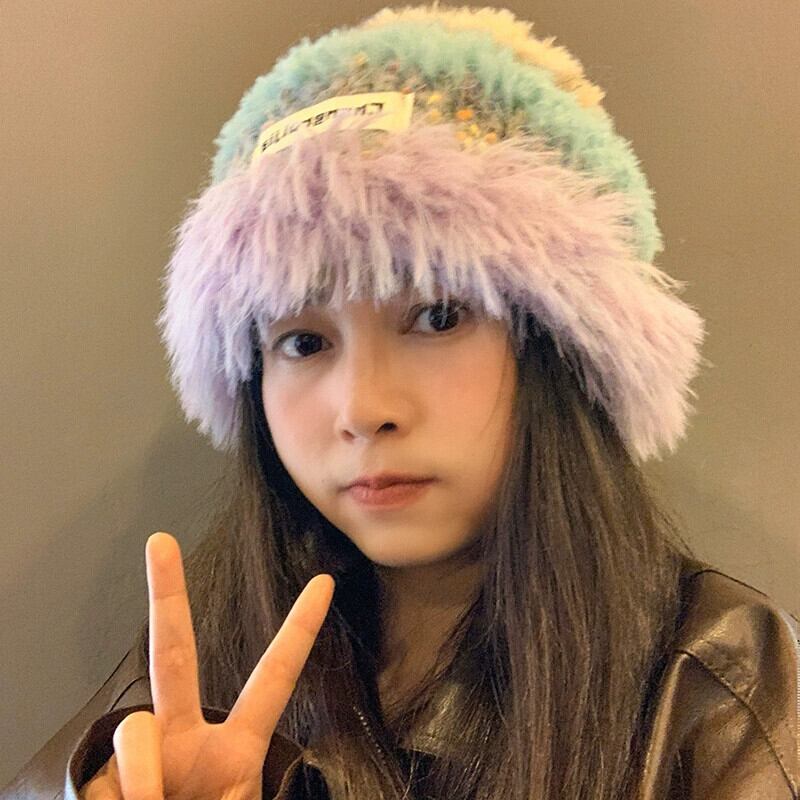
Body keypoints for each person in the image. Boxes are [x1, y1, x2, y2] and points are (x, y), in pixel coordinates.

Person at [3, 4, 798, 799]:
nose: (362, 408)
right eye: (303, 342)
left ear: (559, 348)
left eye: (438, 317)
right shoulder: (208, 647)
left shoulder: (715, 677)